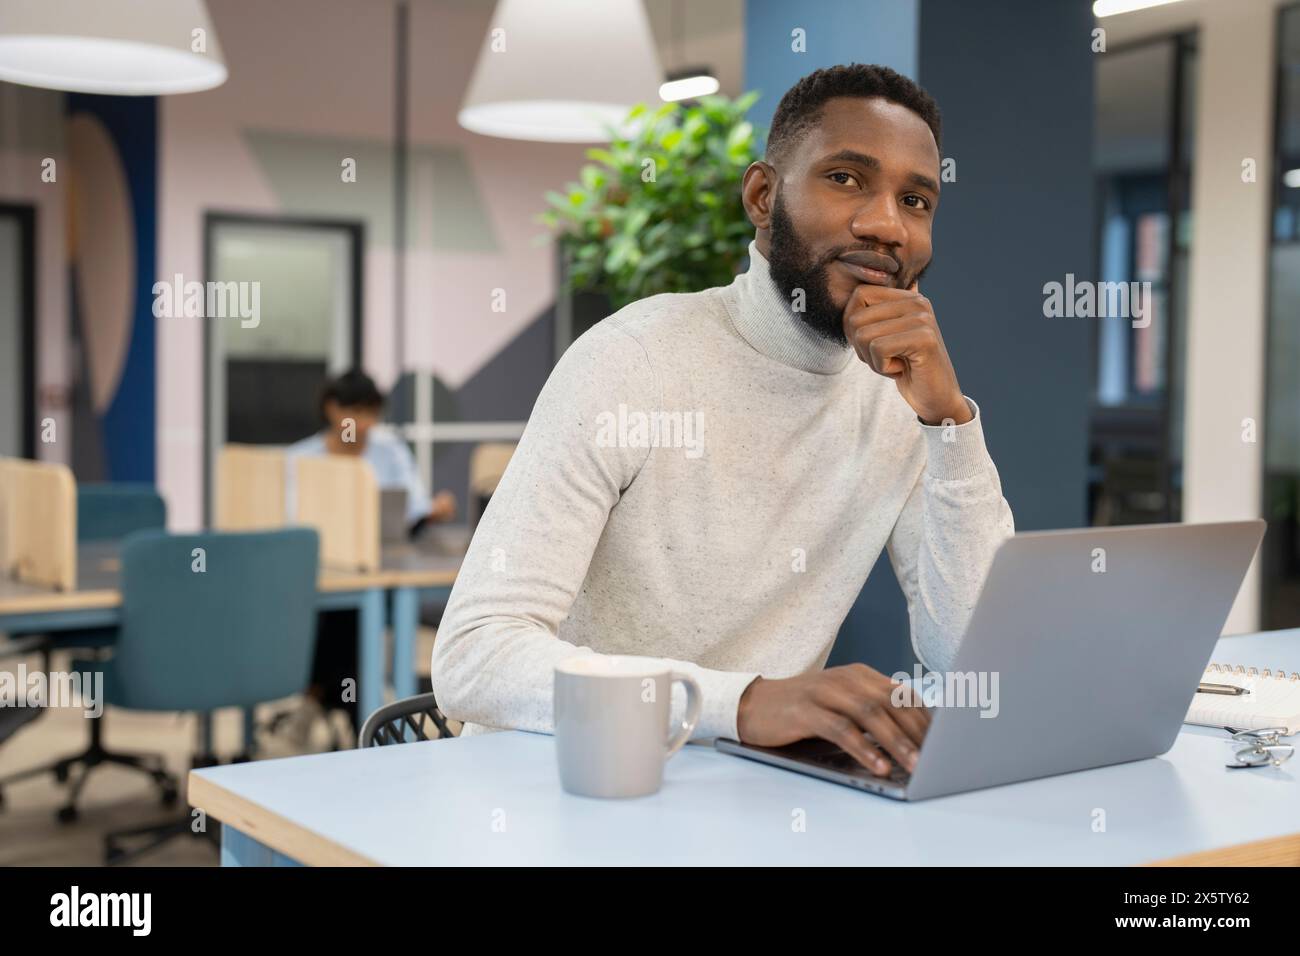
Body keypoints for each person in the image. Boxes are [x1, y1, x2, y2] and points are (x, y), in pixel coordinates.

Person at [430, 64, 1016, 778]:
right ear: (764, 197)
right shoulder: (632, 361)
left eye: (916, 199)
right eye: (845, 179)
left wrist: (949, 424)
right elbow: (475, 655)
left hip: (748, 805)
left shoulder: (901, 402)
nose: (885, 224)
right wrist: (741, 706)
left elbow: (977, 655)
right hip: (558, 794)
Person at [284, 369, 455, 744]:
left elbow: (411, 506)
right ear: (331, 409)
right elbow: (291, 522)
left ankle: (324, 700)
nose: (362, 423)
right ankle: (358, 711)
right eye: (354, 411)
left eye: (370, 412)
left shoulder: (388, 450)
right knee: (343, 614)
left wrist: (432, 510)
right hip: (321, 574)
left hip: (380, 566)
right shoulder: (300, 459)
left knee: (353, 612)